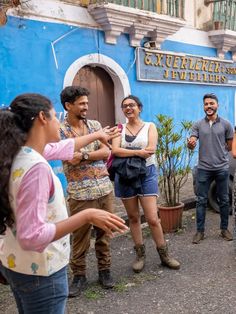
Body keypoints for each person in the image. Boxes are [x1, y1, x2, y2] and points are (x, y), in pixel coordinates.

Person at [0, 93, 127, 314]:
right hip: (42, 270)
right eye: (55, 116)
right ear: (42, 117)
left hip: (17, 264)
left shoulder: (19, 153)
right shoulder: (36, 168)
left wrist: (96, 134)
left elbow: (63, 147)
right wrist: (86, 216)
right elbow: (31, 236)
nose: (58, 122)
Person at [111, 95, 180, 273]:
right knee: (133, 217)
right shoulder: (119, 129)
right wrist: (138, 152)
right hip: (125, 176)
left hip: (147, 174)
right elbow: (115, 150)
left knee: (152, 218)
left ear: (139, 108)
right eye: (125, 106)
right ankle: (140, 255)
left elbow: (151, 150)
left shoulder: (150, 126)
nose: (128, 108)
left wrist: (131, 152)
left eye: (132, 105)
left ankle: (164, 254)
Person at [60, 86, 116, 297]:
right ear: (68, 105)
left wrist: (83, 156)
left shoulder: (94, 125)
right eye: (81, 103)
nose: (86, 106)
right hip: (79, 193)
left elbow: (106, 151)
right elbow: (67, 157)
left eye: (86, 102)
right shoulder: (60, 130)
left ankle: (105, 271)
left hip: (104, 188)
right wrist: (90, 153)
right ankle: (79, 275)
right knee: (80, 236)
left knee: (105, 233)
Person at [187, 93, 234, 244]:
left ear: (217, 105)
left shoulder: (226, 124)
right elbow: (192, 140)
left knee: (224, 200)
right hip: (204, 168)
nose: (209, 106)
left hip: (221, 168)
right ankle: (200, 232)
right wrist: (191, 143)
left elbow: (229, 144)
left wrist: (221, 154)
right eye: (206, 104)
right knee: (201, 200)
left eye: (211, 103)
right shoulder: (198, 124)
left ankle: (224, 229)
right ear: (203, 107)